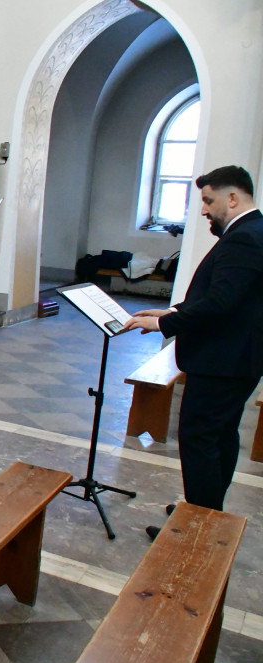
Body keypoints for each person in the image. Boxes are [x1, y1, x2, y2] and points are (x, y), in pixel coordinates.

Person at [124, 165, 263, 535]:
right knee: (219, 436)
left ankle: (198, 529)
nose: (203, 210)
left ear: (232, 198)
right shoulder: (252, 231)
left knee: (200, 439)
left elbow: (221, 303)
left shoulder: (245, 238)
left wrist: (164, 325)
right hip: (234, 359)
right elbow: (227, 296)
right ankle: (206, 511)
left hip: (223, 361)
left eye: (208, 200)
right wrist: (173, 311)